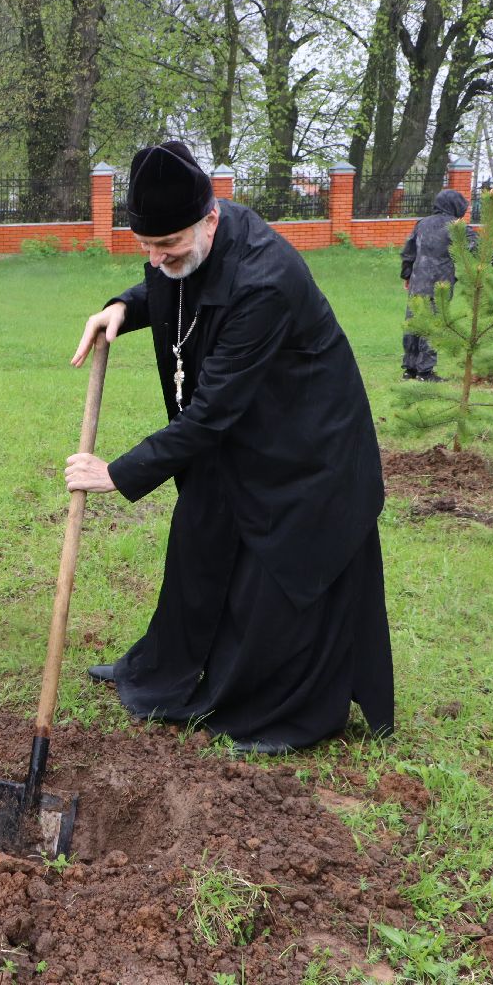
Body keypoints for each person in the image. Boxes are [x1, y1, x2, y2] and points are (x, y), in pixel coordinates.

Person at [66, 141, 393, 754]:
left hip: (305, 445)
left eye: (172, 248)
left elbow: (211, 412)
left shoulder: (265, 280)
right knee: (200, 538)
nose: (161, 261)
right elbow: (171, 287)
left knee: (275, 578)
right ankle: (166, 672)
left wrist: (118, 472)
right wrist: (122, 307)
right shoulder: (193, 247)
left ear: (210, 219)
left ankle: (275, 710)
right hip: (244, 430)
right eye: (149, 250)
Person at [399, 188, 493, 381]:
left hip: (418, 282)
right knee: (434, 325)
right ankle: (425, 373)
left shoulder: (422, 223)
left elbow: (409, 251)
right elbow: (480, 248)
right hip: (439, 284)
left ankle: (410, 369)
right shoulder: (456, 226)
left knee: (414, 323)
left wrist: (407, 275)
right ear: (455, 206)